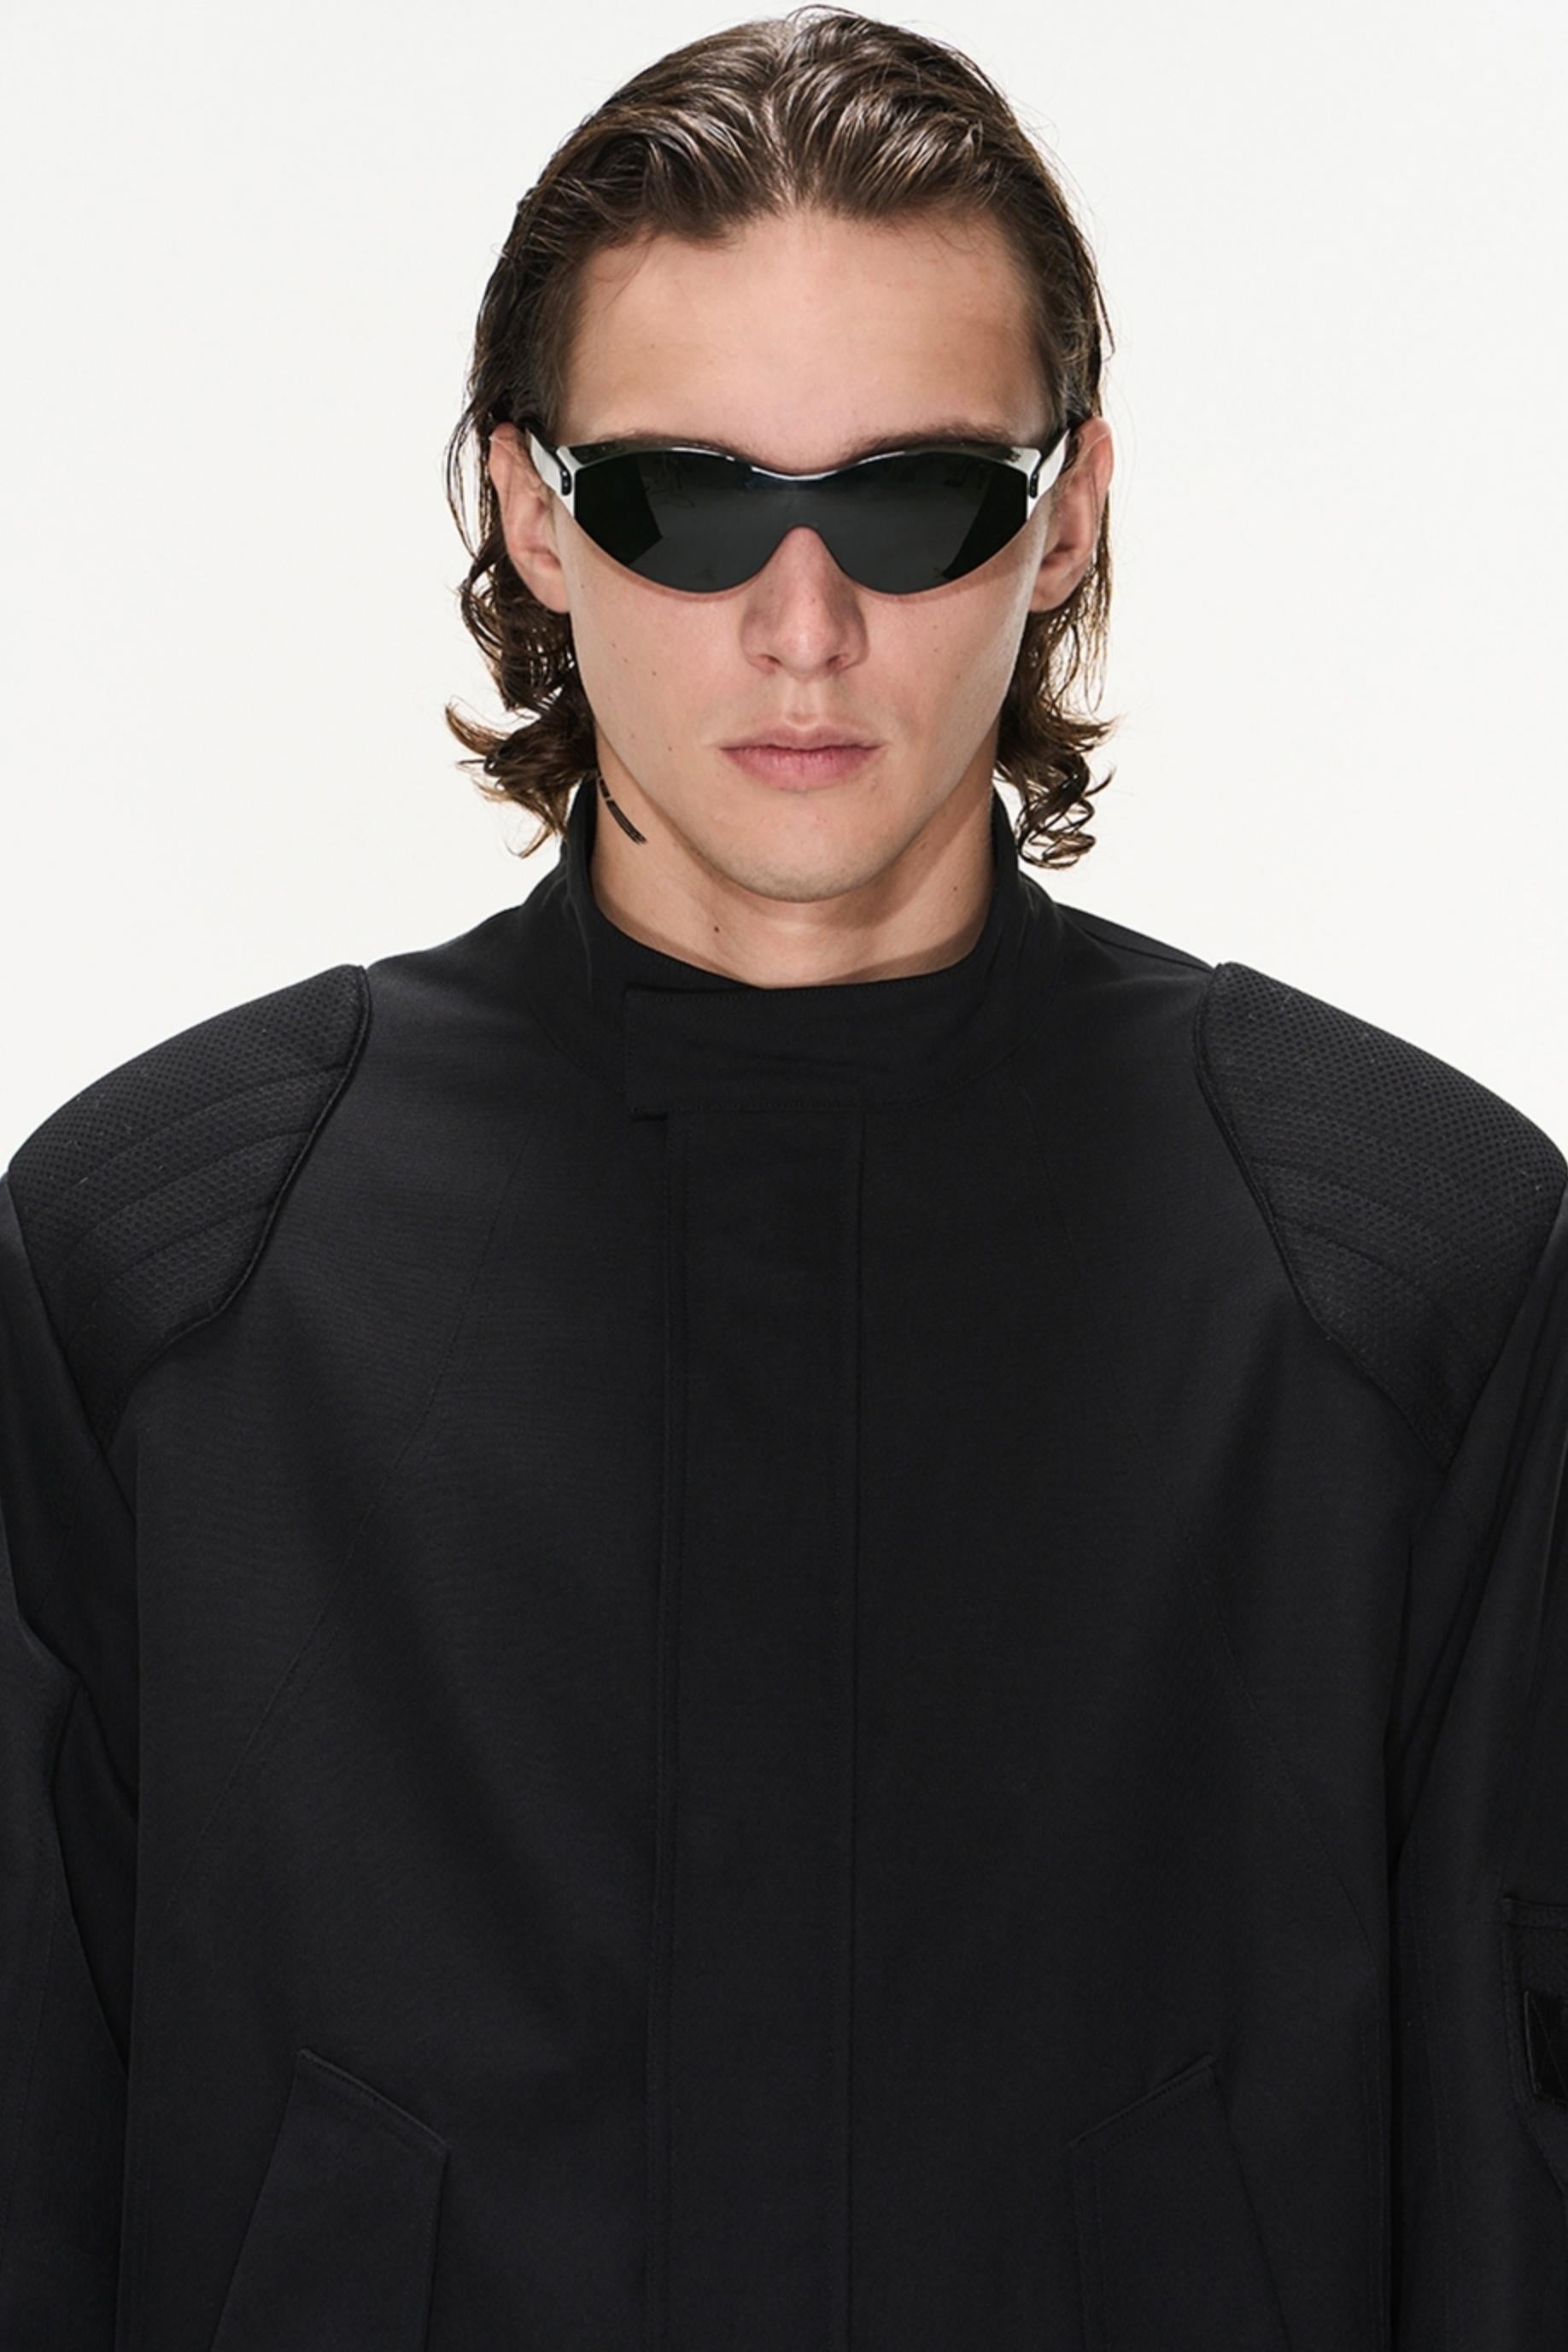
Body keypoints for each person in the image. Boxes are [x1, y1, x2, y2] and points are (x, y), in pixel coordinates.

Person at [2, 7, 1563, 2346]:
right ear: (535, 514)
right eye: (684, 499)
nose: (802, 623)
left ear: (1067, 513)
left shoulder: (1403, 1281)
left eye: (914, 499)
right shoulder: (160, 1274)